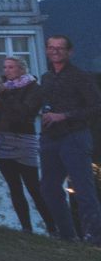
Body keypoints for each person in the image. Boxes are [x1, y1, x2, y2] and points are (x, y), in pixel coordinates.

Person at [29, 34, 101, 243]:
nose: (55, 51)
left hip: (75, 136)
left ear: (70, 52)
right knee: (49, 188)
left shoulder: (80, 77)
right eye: (51, 48)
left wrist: (64, 115)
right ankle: (67, 234)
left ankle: (94, 236)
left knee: (83, 187)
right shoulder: (47, 77)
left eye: (60, 48)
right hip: (50, 137)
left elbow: (96, 106)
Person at [0, 56, 56, 235]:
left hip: (23, 139)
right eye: (4, 67)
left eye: (11, 67)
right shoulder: (8, 88)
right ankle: (26, 228)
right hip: (3, 139)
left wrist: (3, 93)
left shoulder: (33, 88)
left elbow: (24, 112)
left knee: (34, 187)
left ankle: (53, 228)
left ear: (22, 69)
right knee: (14, 187)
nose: (6, 71)